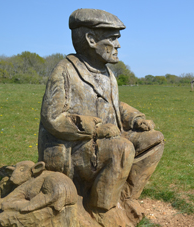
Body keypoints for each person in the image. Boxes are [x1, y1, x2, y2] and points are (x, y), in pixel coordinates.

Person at [37, 8, 164, 225]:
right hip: (74, 148)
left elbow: (114, 106)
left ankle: (125, 198)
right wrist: (95, 129)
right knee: (121, 148)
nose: (118, 45)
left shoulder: (108, 74)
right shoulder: (65, 71)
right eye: (113, 39)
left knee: (154, 140)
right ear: (91, 39)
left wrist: (135, 119)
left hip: (107, 141)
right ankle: (101, 209)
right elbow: (53, 117)